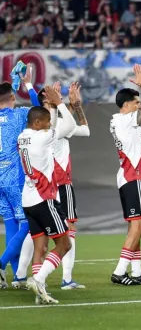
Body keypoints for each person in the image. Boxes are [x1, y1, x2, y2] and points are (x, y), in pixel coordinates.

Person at [20, 86, 77, 304]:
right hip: (44, 199)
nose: (47, 128)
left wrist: (50, 110)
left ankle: (39, 290)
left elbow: (47, 124)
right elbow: (69, 125)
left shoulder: (23, 137)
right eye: (44, 124)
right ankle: (39, 279)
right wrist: (59, 104)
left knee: (40, 246)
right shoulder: (40, 138)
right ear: (37, 124)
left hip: (28, 199)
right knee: (64, 245)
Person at [32, 81, 90, 290]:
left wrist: (74, 106)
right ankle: (65, 279)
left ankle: (27, 277)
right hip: (60, 184)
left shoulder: (44, 125)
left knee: (41, 235)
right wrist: (70, 106)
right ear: (46, 100)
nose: (58, 96)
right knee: (67, 230)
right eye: (53, 94)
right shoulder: (51, 125)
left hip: (46, 187)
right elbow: (75, 128)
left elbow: (83, 130)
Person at [110, 64, 141, 286]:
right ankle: (120, 271)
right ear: (127, 105)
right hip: (135, 176)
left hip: (129, 176)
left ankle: (137, 272)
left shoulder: (125, 123)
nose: (140, 106)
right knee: (139, 225)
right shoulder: (124, 120)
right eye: (136, 103)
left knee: (135, 224)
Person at [0, 82, 31, 289]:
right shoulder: (19, 115)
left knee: (10, 223)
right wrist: (27, 83)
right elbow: (41, 109)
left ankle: (17, 276)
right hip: (14, 178)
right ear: (12, 97)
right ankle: (2, 264)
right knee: (28, 224)